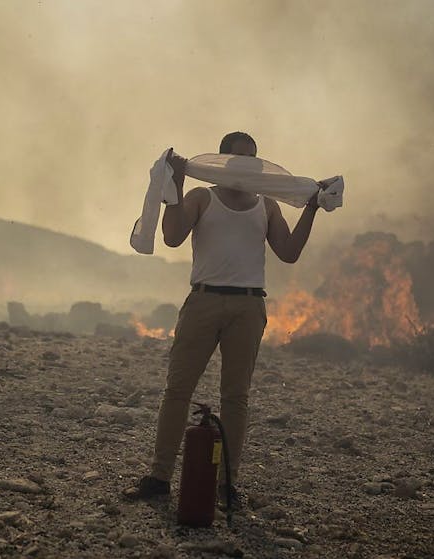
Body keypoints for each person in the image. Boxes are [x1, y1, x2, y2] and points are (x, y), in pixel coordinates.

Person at [125, 131, 326, 503]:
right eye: (239, 158)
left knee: (236, 397)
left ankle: (226, 484)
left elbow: (289, 252)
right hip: (204, 300)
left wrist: (312, 207)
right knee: (178, 391)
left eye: (252, 157)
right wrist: (179, 183)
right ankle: (159, 477)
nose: (246, 164)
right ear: (224, 162)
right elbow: (171, 236)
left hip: (249, 306)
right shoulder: (203, 198)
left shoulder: (266, 206)